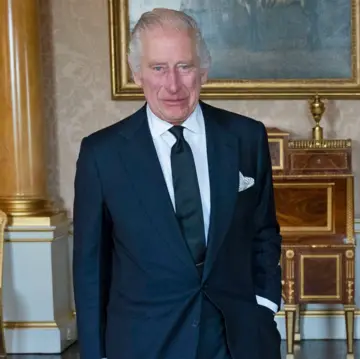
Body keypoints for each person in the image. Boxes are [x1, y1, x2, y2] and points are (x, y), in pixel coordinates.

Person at [72, 8, 282, 359]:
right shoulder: (101, 154)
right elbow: (90, 269)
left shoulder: (246, 137)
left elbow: (264, 232)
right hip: (143, 341)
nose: (173, 85)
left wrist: (264, 304)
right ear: (136, 72)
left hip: (237, 338)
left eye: (184, 67)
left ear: (204, 68)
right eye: (158, 68)